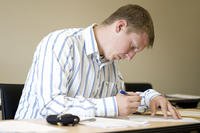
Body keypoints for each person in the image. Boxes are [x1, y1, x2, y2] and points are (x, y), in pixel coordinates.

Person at [15, 4, 181, 120]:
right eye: (132, 46)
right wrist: (112, 106)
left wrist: (151, 98)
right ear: (120, 26)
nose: (130, 57)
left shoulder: (110, 62)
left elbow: (120, 100)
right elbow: (50, 105)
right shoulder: (61, 43)